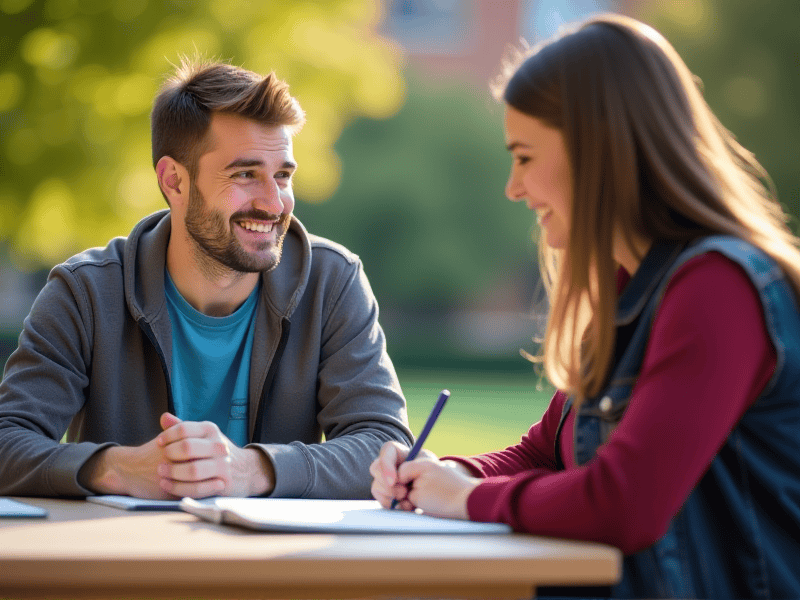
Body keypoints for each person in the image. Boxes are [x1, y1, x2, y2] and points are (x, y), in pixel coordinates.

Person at [370, 13, 800, 599]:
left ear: (596, 151)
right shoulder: (630, 290)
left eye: (523, 156)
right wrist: (446, 475)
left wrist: (466, 500)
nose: (513, 188)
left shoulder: (717, 288)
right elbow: (544, 453)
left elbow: (626, 503)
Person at [0, 58, 413, 501]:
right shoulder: (85, 292)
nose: (274, 204)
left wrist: (252, 470)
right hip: (123, 562)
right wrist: (116, 469)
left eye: (282, 175)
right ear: (174, 181)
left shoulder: (332, 283)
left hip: (269, 567)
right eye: (245, 174)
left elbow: (386, 447)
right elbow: (8, 441)